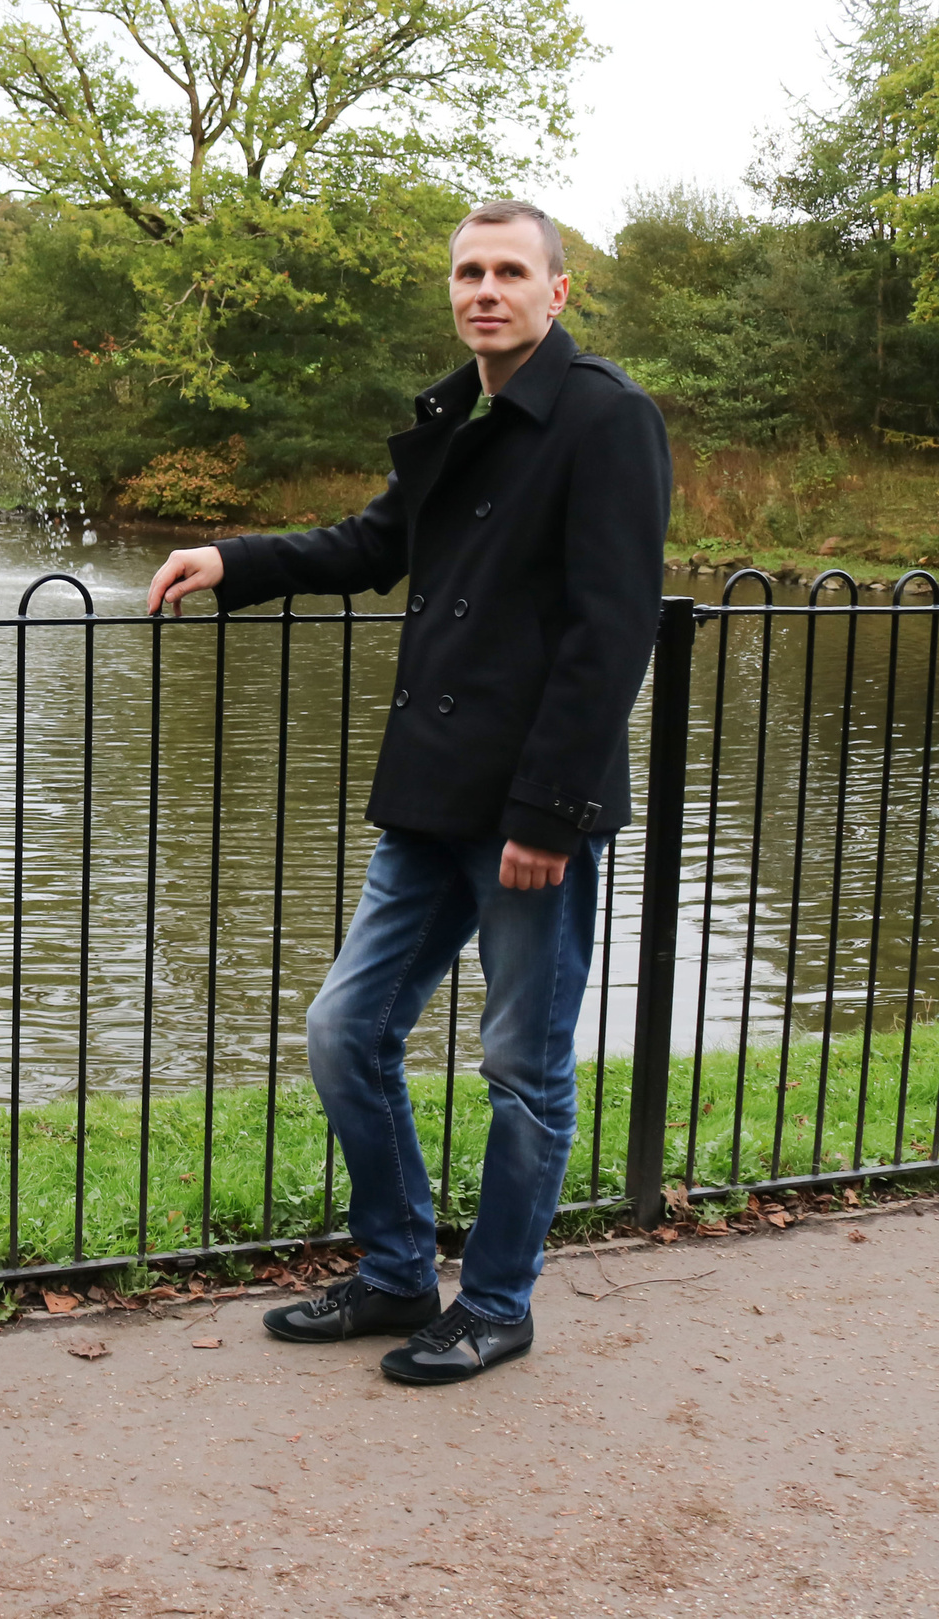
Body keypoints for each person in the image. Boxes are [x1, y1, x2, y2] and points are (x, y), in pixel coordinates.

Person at [145, 200, 670, 1385]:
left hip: (529, 812)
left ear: (556, 291)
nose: (483, 290)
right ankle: (393, 1275)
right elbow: (377, 543)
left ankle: (493, 1304)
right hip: (430, 798)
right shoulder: (460, 413)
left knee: (521, 1070)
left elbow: (611, 630)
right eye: (466, 272)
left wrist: (549, 814)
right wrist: (237, 560)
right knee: (345, 1031)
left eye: (507, 272)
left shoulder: (605, 417)